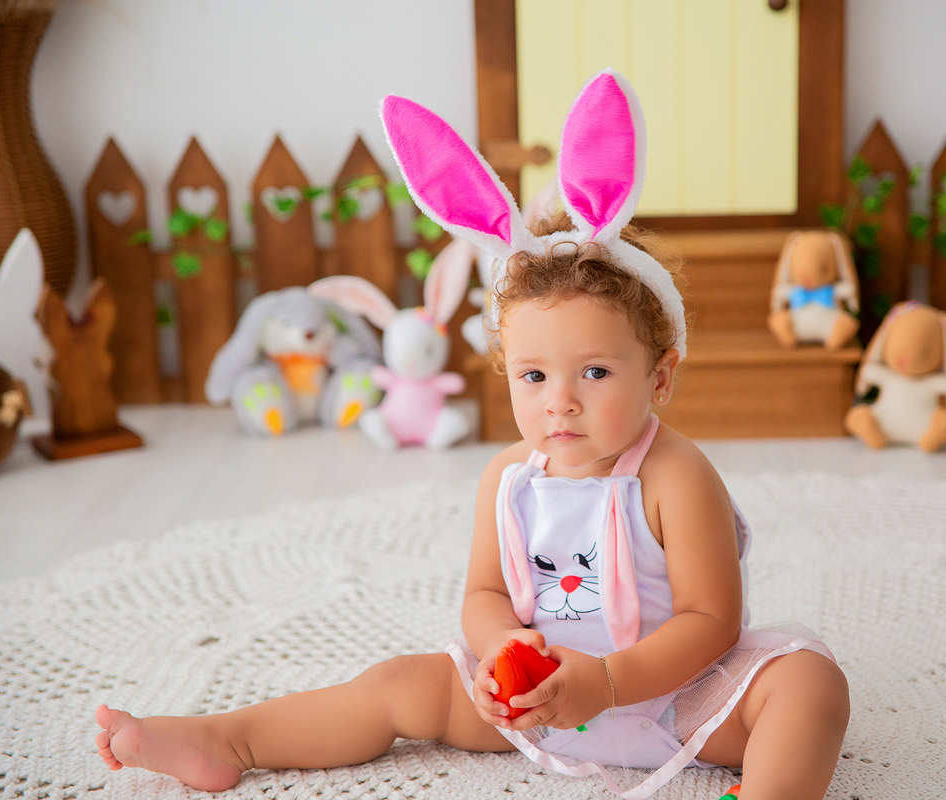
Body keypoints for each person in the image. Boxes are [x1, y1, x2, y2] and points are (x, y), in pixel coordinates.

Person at [94, 72, 850, 800]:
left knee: (809, 684)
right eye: (533, 377)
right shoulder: (510, 480)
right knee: (397, 685)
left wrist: (610, 683)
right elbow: (485, 595)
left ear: (659, 378)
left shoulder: (675, 475)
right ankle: (228, 739)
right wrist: (498, 655)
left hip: (674, 704)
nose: (561, 403)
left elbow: (711, 622)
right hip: (539, 707)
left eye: (593, 373)